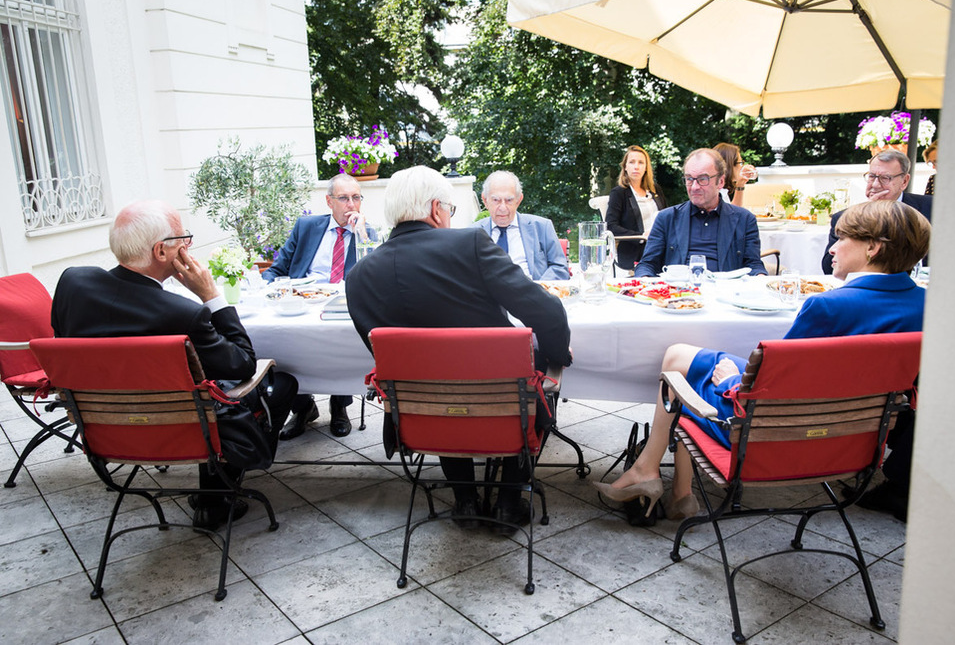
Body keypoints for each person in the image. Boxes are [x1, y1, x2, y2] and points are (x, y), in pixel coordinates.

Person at [596, 200, 929, 522]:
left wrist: (729, 382)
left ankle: (653, 475)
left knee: (678, 375)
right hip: (855, 443)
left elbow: (778, 395)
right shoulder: (928, 304)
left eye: (842, 238)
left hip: (775, 435)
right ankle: (676, 493)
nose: (832, 248)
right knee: (681, 357)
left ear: (873, 248)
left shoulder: (829, 306)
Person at [346, 166, 572, 533]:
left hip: (423, 422)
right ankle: (509, 500)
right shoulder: (470, 244)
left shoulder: (357, 277)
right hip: (502, 410)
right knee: (545, 362)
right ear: (437, 209)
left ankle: (465, 500)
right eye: (449, 210)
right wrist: (557, 356)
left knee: (431, 379)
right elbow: (547, 312)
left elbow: (385, 357)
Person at [51, 199, 299, 530]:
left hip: (108, 434)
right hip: (184, 432)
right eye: (184, 237)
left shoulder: (72, 283)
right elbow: (241, 364)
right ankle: (217, 497)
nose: (189, 244)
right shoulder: (182, 314)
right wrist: (211, 296)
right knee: (281, 385)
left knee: (200, 398)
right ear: (161, 251)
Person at [262, 173, 362, 439]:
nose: (351, 204)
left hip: (341, 308)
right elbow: (277, 269)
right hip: (300, 304)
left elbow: (373, 276)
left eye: (356, 197)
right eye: (343, 198)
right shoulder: (306, 227)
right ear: (329, 201)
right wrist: (266, 289)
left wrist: (361, 236)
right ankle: (303, 408)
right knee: (284, 346)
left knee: (342, 343)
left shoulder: (367, 232)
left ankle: (339, 407)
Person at [633, 148, 767, 277]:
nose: (695, 187)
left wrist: (760, 277)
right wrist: (647, 282)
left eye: (703, 179)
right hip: (679, 295)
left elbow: (753, 265)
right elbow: (647, 265)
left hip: (726, 293)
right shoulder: (667, 219)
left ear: (720, 182)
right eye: (689, 179)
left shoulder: (744, 219)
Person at [822, 149, 932, 274]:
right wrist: (865, 216)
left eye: (885, 178)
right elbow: (828, 268)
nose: (875, 184)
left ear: (904, 181)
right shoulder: (844, 217)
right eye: (872, 176)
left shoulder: (931, 208)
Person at [473, 171, 569, 281]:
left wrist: (540, 289)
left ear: (518, 200)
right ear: (485, 200)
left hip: (532, 294)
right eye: (496, 200)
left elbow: (559, 268)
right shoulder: (472, 233)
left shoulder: (542, 227)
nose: (503, 207)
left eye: (509, 200)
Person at [605, 145, 668, 271]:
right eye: (632, 162)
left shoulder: (655, 190)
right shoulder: (619, 193)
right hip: (636, 250)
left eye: (641, 162)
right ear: (625, 167)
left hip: (661, 246)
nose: (636, 166)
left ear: (646, 167)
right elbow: (610, 226)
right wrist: (641, 236)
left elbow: (667, 217)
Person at [713, 142, 756, 207]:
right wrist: (739, 186)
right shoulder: (716, 194)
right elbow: (733, 215)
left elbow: (732, 210)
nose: (742, 166)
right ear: (730, 165)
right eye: (741, 163)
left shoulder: (720, 189)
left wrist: (740, 184)